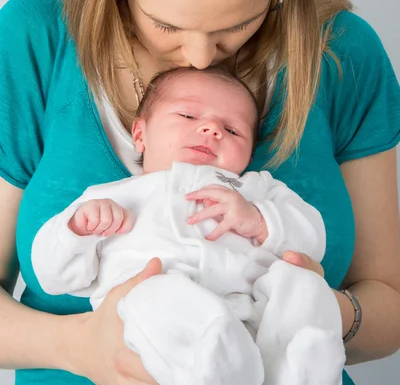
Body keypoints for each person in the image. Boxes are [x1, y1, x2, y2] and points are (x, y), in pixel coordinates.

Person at [0, 0, 399, 385]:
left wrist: (314, 315)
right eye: (166, 26)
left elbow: (388, 302)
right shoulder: (34, 39)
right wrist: (81, 347)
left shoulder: (341, 53)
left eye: (238, 25)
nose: (201, 56)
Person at [31, 66, 345, 385]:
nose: (211, 129)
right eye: (188, 116)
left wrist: (260, 220)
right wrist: (79, 229)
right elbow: (52, 275)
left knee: (301, 285)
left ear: (249, 153)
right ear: (140, 134)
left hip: (254, 320)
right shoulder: (109, 198)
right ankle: (215, 365)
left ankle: (301, 366)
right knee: (152, 294)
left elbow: (312, 241)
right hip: (162, 329)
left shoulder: (258, 190)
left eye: (233, 130)